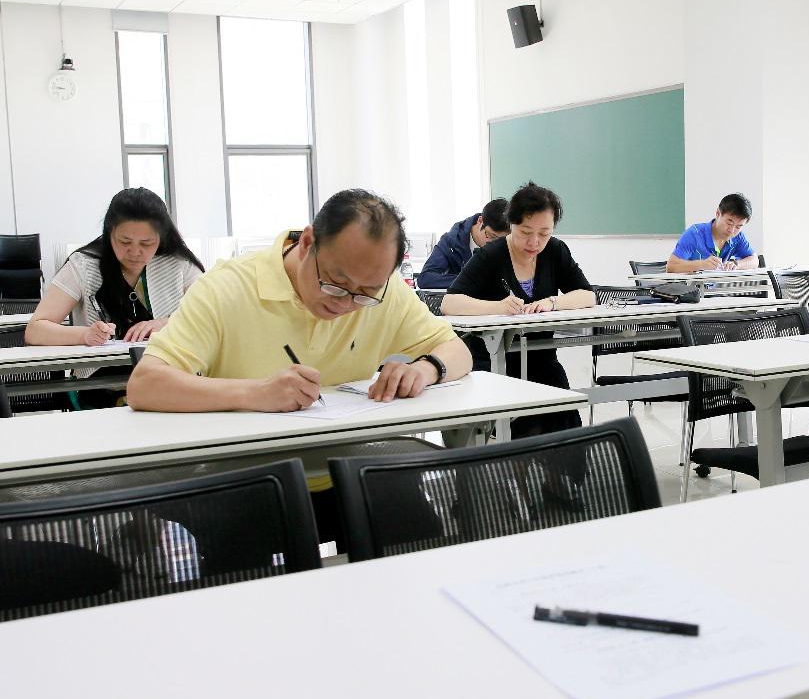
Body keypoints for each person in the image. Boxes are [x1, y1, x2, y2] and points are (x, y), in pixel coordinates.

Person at [127, 189, 473, 545]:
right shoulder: (226, 288)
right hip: (248, 472)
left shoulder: (385, 293)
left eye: (364, 292)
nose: (346, 303)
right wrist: (254, 393)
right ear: (308, 242)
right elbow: (145, 384)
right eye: (335, 283)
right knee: (243, 562)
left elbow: (457, 351)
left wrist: (425, 369)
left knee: (420, 539)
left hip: (348, 464)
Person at [26, 188, 204, 409]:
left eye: (146, 243)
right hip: (100, 387)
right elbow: (35, 330)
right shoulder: (84, 265)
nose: (135, 252)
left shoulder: (178, 263)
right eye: (125, 242)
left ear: (162, 237)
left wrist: (167, 323)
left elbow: (210, 317)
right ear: (109, 233)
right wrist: (84, 335)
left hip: (170, 380)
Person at [442, 181, 594, 437]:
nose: (535, 242)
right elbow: (450, 303)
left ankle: (562, 462)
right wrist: (497, 307)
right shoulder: (491, 255)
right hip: (496, 360)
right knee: (526, 428)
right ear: (511, 224)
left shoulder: (555, 250)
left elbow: (587, 295)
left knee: (565, 423)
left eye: (544, 233)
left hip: (541, 358)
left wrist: (552, 302)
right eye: (526, 232)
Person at [417, 198, 510, 289]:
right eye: (492, 236)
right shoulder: (451, 241)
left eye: (501, 240)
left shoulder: (509, 243)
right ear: (480, 221)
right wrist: (470, 280)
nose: (495, 244)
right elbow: (425, 279)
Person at [667, 193, 759, 273]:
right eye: (729, 223)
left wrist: (737, 264)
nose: (732, 230)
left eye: (738, 226)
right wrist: (702, 264)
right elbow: (671, 266)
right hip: (690, 287)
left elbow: (754, 260)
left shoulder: (737, 236)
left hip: (716, 287)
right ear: (718, 213)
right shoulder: (694, 234)